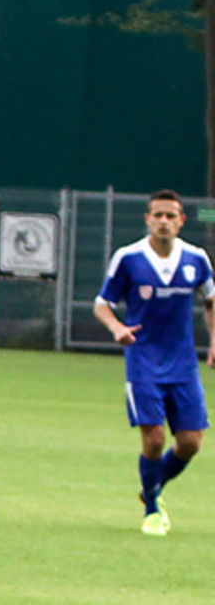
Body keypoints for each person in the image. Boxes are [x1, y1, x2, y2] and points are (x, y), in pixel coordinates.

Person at [93, 188, 212, 536]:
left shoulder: (196, 259)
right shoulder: (128, 258)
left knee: (191, 442)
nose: (163, 221)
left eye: (170, 216)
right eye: (157, 215)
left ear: (181, 221)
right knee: (155, 440)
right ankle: (154, 511)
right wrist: (117, 328)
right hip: (143, 361)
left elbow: (210, 300)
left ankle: (151, 486)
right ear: (147, 219)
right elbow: (102, 304)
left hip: (183, 363)